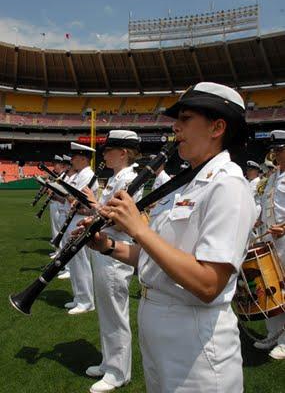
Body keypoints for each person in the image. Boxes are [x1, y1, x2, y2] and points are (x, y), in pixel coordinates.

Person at [77, 82, 257, 392]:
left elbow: (208, 284)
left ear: (217, 127)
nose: (176, 128)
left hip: (195, 349)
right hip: (163, 338)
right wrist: (108, 246)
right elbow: (157, 259)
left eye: (185, 119)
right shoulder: (187, 184)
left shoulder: (228, 187)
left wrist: (140, 230)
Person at [84, 130, 143, 393]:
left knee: (115, 314)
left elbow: (121, 219)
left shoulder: (131, 179)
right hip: (105, 249)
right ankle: (109, 362)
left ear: (123, 153)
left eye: (108, 151)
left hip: (116, 253)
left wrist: (95, 205)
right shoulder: (117, 178)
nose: (104, 154)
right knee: (106, 312)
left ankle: (119, 372)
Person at [253, 130, 285, 360]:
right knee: (270, 287)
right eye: (275, 150)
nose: (276, 154)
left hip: (284, 241)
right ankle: (273, 333)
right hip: (268, 238)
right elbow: (268, 204)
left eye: (280, 150)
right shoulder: (274, 176)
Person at [65, 142, 98, 315]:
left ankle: (86, 301)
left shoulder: (87, 175)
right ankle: (79, 297)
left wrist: (67, 196)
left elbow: (76, 199)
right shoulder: (80, 174)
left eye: (75, 157)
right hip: (75, 219)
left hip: (81, 219)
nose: (72, 160)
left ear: (83, 158)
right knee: (75, 262)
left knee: (81, 262)